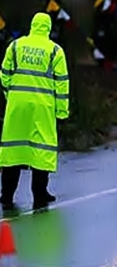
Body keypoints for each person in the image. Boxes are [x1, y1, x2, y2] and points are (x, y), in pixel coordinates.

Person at [0, 12, 70, 210]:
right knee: (41, 150)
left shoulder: (15, 46)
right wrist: (61, 113)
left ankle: (6, 196)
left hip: (17, 106)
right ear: (48, 28)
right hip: (43, 107)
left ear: (32, 25)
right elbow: (62, 85)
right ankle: (39, 194)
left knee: (13, 151)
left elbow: (4, 75)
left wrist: (11, 95)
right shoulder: (55, 51)